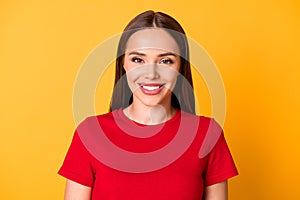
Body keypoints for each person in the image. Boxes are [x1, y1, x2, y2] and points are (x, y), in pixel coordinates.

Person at [58, 10, 238, 200]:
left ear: (180, 67)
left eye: (165, 61)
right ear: (123, 64)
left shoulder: (207, 133)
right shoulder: (90, 133)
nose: (151, 73)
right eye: (138, 59)